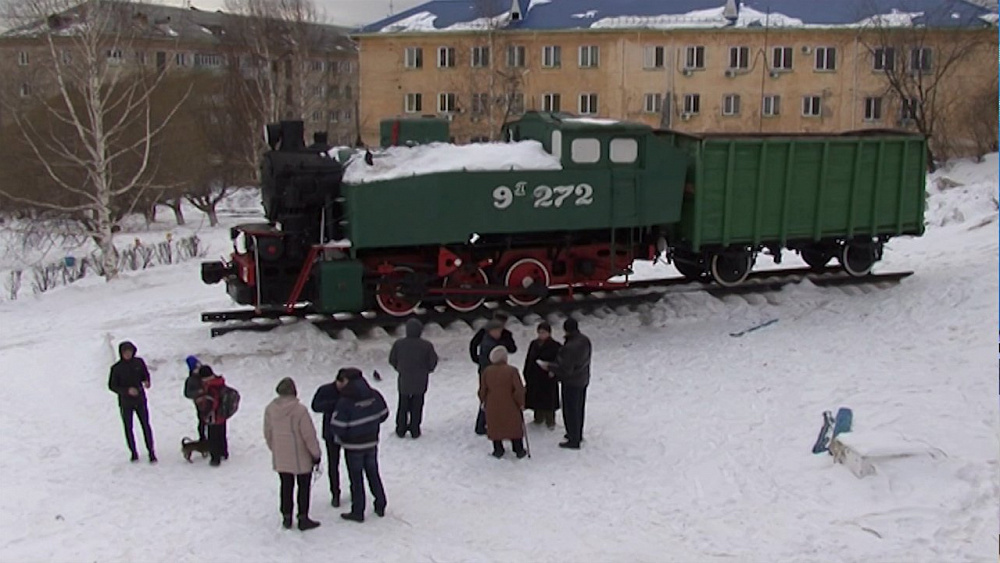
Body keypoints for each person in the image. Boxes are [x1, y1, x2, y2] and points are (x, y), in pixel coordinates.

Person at [330, 368, 389, 523]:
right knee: (373, 473)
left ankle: (358, 510)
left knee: (356, 479)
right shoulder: (374, 395)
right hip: (371, 442)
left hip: (353, 446)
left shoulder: (345, 401)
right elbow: (384, 414)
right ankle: (380, 503)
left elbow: (338, 425)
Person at [264, 377, 322, 531]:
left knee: (285, 486)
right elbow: (308, 435)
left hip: (281, 456)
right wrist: (316, 454)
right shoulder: (300, 411)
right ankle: (303, 517)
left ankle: (286, 517)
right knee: (303, 487)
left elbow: (268, 433)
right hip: (301, 456)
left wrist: (275, 449)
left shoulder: (270, 409)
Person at [388, 318, 439, 439]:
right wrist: (427, 370)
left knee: (403, 404)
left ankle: (400, 429)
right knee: (417, 405)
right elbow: (433, 361)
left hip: (404, 379)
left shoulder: (399, 344)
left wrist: (400, 368)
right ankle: (415, 429)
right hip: (420, 380)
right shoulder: (426, 345)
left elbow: (392, 360)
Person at [108, 341, 156, 463]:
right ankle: (133, 452)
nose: (128, 354)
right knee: (129, 427)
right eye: (125, 352)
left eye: (129, 352)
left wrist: (146, 381)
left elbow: (145, 374)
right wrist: (126, 391)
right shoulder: (116, 368)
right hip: (126, 402)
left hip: (140, 399)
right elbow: (112, 385)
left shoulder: (139, 362)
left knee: (146, 425)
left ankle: (151, 451)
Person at [478, 347, 527, 459]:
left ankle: (498, 449)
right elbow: (518, 389)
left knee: (495, 425)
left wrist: (483, 400)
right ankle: (518, 449)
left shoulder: (487, 371)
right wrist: (520, 402)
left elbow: (482, 389)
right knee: (513, 426)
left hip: (492, 404)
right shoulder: (512, 371)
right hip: (510, 404)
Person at [473, 317, 516, 435]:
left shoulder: (488, 340)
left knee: (488, 398)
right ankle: (481, 425)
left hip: (487, 373)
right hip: (490, 374)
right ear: (491, 331)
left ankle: (483, 424)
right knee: (489, 399)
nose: (499, 333)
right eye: (498, 331)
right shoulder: (490, 344)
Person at [555, 318, 592, 450]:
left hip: (571, 382)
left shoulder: (570, 347)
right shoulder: (585, 340)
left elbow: (566, 368)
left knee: (570, 410)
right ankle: (578, 433)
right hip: (583, 379)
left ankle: (573, 438)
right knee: (579, 408)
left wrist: (551, 368)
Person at [310, 376, 344, 507]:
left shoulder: (351, 390)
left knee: (352, 463)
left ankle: (355, 490)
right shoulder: (325, 390)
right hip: (331, 432)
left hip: (348, 432)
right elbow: (315, 406)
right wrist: (334, 404)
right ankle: (335, 493)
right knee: (333, 464)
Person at [523, 322, 562, 429]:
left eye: (543, 332)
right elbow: (529, 360)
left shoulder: (555, 346)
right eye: (539, 332)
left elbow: (560, 361)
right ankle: (538, 417)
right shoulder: (534, 344)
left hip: (548, 377)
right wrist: (527, 373)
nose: (541, 335)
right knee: (537, 397)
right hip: (535, 377)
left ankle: (550, 419)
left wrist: (553, 371)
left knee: (549, 399)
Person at [195, 365, 229, 466]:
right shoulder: (219, 381)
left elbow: (211, 402)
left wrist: (205, 412)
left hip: (213, 416)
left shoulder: (210, 386)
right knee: (222, 434)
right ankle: (224, 452)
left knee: (213, 436)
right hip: (222, 414)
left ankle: (215, 458)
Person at [183, 355, 207, 442]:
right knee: (202, 420)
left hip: (209, 400)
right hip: (200, 403)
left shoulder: (203, 374)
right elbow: (187, 393)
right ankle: (203, 438)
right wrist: (198, 393)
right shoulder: (191, 380)